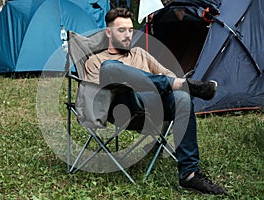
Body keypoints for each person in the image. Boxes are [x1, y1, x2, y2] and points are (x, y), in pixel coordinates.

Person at [84, 7, 226, 195]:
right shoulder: (96, 60)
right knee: (110, 67)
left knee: (182, 96)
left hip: (153, 107)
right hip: (122, 106)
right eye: (121, 30)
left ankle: (189, 175)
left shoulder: (140, 54)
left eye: (129, 30)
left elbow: (168, 75)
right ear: (109, 32)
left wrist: (157, 84)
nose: (127, 35)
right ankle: (186, 85)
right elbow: (96, 94)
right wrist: (133, 82)